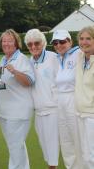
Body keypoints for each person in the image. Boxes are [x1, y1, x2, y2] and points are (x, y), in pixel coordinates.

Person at [0, 29, 34, 169]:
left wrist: (14, 72)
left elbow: (29, 81)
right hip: (4, 112)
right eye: (4, 40)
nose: (6, 43)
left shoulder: (21, 59)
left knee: (15, 147)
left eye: (10, 40)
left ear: (16, 43)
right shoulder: (3, 59)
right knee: (16, 147)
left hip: (18, 112)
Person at [24, 29, 59, 169]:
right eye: (30, 44)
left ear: (43, 43)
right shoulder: (29, 61)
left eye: (36, 43)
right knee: (44, 145)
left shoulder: (53, 58)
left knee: (52, 146)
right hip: (38, 111)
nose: (33, 47)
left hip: (53, 110)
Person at [51, 30, 82, 169]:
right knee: (66, 141)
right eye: (56, 43)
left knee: (78, 139)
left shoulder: (79, 53)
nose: (59, 45)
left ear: (70, 41)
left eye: (62, 41)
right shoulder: (59, 58)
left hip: (73, 100)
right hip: (60, 102)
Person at [75, 26, 94, 169]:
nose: (84, 42)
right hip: (80, 114)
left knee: (91, 157)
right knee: (84, 156)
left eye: (88, 38)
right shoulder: (80, 56)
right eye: (81, 39)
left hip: (92, 116)